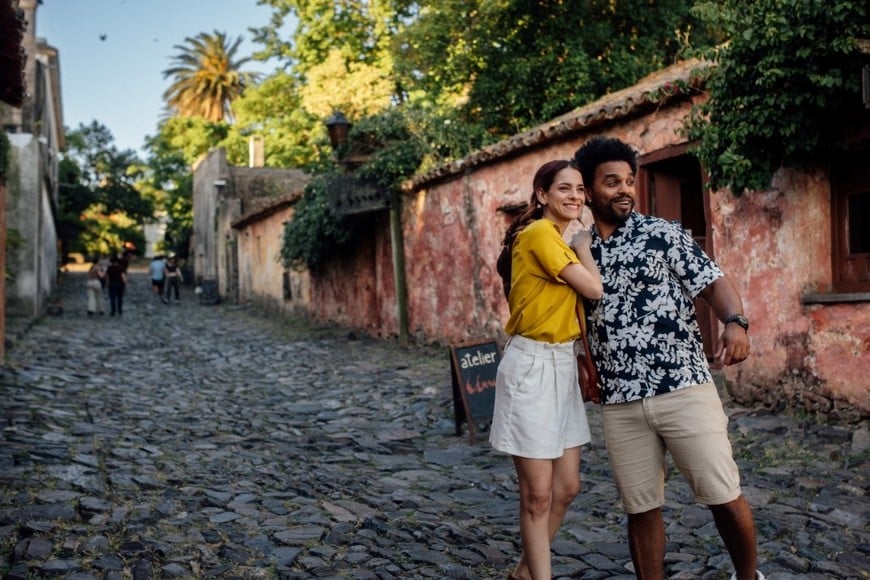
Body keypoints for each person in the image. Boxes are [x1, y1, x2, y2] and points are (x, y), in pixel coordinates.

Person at [572, 136, 763, 580]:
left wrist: (735, 321)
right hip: (620, 401)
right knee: (640, 507)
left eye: (628, 181)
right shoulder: (575, 251)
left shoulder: (662, 233)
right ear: (586, 189)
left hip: (683, 387)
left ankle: (749, 577)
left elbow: (713, 281)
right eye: (611, 182)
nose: (624, 189)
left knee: (722, 494)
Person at [490, 160, 603, 580]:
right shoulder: (540, 233)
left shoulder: (554, 237)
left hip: (560, 364)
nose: (575, 196)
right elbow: (593, 288)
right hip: (532, 364)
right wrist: (585, 244)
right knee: (537, 495)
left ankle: (522, 572)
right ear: (542, 195)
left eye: (579, 190)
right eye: (564, 189)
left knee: (567, 486)